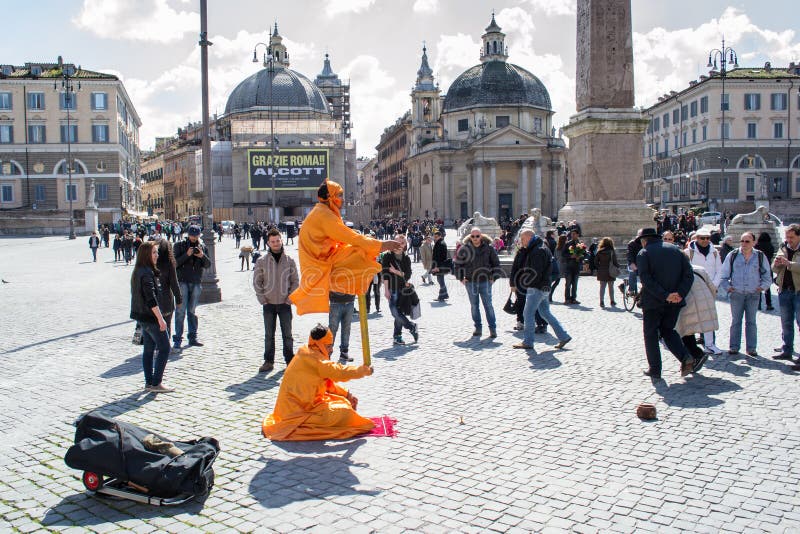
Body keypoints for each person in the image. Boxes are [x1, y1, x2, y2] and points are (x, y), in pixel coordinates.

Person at [290, 180, 402, 315]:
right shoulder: (324, 215)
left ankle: (355, 287)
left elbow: (346, 234)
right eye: (340, 195)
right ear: (330, 197)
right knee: (360, 251)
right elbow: (350, 237)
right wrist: (382, 245)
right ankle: (356, 287)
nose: (342, 199)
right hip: (320, 263)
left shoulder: (322, 211)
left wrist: (372, 243)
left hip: (324, 258)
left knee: (362, 248)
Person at [261, 324, 374, 441]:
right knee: (346, 413)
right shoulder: (316, 360)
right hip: (297, 411)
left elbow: (327, 383)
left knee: (343, 401)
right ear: (319, 344)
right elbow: (338, 372)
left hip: (304, 403)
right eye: (328, 346)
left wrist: (346, 394)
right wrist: (362, 371)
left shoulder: (307, 349)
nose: (331, 350)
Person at [636, 228, 696, 380]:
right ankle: (685, 356)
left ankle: (655, 369)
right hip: (675, 301)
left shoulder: (644, 253)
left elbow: (646, 280)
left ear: (644, 240)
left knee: (650, 334)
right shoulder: (676, 250)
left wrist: (665, 295)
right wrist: (679, 294)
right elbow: (689, 275)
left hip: (653, 302)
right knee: (668, 330)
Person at [511, 230, 571, 351]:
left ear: (529, 237)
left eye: (522, 239)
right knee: (545, 313)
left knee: (527, 313)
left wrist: (526, 282)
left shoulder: (537, 250)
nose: (521, 241)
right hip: (544, 286)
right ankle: (563, 336)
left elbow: (535, 272)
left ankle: (528, 341)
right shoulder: (541, 247)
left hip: (536, 287)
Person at [718, 231, 773, 356]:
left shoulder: (759, 256)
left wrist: (763, 287)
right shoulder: (732, 255)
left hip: (753, 293)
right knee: (736, 321)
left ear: (753, 242)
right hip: (736, 293)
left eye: (747, 241)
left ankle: (751, 348)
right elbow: (724, 274)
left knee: (751, 322)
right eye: (742, 241)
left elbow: (767, 274)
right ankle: (734, 347)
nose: (744, 243)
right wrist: (727, 287)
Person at [130, 241, 174, 393]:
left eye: (157, 252)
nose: (157, 255)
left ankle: (149, 382)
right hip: (151, 317)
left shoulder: (139, 271)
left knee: (148, 349)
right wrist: (161, 319)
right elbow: (151, 299)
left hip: (142, 317)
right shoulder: (147, 273)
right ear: (146, 255)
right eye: (154, 252)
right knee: (165, 348)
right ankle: (156, 382)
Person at [253, 228, 299, 373]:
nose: (276, 243)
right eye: (272, 241)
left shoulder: (289, 260)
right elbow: (257, 282)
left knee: (288, 335)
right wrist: (262, 299)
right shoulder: (262, 261)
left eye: (277, 240)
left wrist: (290, 298)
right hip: (269, 303)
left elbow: (295, 281)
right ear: (268, 243)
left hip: (285, 303)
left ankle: (290, 360)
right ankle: (268, 361)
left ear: (281, 240)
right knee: (269, 335)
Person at [454, 227, 502, 338]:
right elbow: (457, 265)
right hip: (470, 282)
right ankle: (478, 328)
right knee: (474, 306)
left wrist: (494, 277)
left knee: (488, 305)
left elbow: (496, 264)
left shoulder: (489, 249)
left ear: (481, 236)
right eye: (473, 236)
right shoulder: (464, 249)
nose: (475, 238)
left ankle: (492, 329)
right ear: (470, 237)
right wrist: (461, 278)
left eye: (477, 236)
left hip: (485, 281)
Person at [684, 227, 724, 354]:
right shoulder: (687, 252)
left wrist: (714, 285)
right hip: (693, 288)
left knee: (708, 316)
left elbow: (719, 270)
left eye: (707, 238)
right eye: (702, 238)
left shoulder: (714, 253)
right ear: (696, 238)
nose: (705, 240)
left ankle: (710, 344)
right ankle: (690, 345)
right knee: (691, 316)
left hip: (710, 288)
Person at [172, 225, 211, 349]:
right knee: (180, 311)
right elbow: (175, 263)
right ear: (188, 234)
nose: (194, 238)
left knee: (192, 311)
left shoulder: (202, 247)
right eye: (192, 235)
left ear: (199, 235)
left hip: (196, 282)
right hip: (182, 282)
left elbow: (208, 264)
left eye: (196, 235)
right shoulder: (179, 245)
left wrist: (202, 256)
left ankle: (193, 337)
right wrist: (187, 254)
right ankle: (177, 339)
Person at [676, 265, 718, 368]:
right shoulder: (700, 269)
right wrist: (710, 301)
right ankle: (695, 355)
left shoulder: (676, 271)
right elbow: (713, 288)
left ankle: (696, 355)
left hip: (688, 305)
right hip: (705, 303)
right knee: (688, 331)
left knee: (684, 331)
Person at [772, 224, 800, 368]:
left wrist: (789, 264)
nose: (789, 240)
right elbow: (774, 268)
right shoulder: (783, 247)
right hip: (784, 290)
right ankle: (787, 350)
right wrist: (777, 264)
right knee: (786, 323)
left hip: (798, 291)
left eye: (791, 237)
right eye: (787, 237)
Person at [382, 234, 418, 345]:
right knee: (395, 312)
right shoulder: (388, 256)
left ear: (405, 244)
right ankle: (411, 326)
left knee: (399, 313)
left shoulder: (406, 258)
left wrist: (396, 271)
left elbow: (407, 275)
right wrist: (386, 289)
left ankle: (397, 336)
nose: (399, 245)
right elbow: (385, 274)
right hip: (392, 289)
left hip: (402, 289)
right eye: (397, 242)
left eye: (402, 243)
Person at [155, 239, 182, 353]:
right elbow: (174, 283)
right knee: (166, 322)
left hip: (154, 298)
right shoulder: (169, 264)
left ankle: (156, 347)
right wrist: (179, 299)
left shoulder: (151, 263)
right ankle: (165, 347)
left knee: (155, 323)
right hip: (166, 297)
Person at [594, 237, 619, 308]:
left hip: (602, 270)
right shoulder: (612, 251)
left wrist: (599, 267)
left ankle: (601, 301)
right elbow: (615, 262)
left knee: (602, 287)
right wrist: (617, 267)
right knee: (611, 287)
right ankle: (612, 301)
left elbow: (595, 262)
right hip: (610, 270)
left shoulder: (599, 251)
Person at [560, 230, 583, 304]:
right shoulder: (568, 243)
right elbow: (563, 254)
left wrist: (580, 257)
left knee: (575, 284)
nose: (572, 235)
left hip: (576, 266)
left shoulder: (580, 244)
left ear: (577, 235)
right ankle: (567, 299)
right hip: (569, 266)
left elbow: (585, 254)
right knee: (568, 284)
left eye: (574, 234)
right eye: (572, 234)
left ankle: (573, 298)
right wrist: (570, 256)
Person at [755, 232, 776, 311]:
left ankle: (758, 304)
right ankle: (769, 304)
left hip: (758, 267)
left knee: (758, 286)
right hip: (767, 267)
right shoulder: (770, 246)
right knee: (767, 287)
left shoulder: (757, 246)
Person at [431, 231, 451, 302]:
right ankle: (444, 295)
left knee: (440, 280)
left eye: (436, 237)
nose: (435, 238)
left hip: (439, 265)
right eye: (434, 237)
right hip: (439, 265)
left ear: (440, 236)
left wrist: (437, 267)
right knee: (440, 280)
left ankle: (442, 296)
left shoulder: (440, 243)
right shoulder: (440, 243)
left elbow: (439, 257)